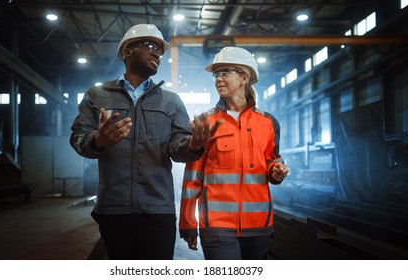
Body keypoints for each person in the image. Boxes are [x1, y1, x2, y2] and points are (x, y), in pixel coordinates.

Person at [69, 24, 218, 260]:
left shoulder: (171, 101)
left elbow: (177, 147)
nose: (157, 53)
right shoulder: (98, 96)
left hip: (158, 210)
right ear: (128, 50)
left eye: (160, 50)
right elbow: (78, 138)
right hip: (113, 209)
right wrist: (98, 140)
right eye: (150, 46)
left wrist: (193, 145)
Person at [179, 46, 289, 260]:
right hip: (217, 226)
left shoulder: (268, 122)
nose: (218, 79)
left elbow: (271, 160)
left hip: (259, 225)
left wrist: (276, 169)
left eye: (224, 72)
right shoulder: (206, 122)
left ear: (244, 78)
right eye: (216, 74)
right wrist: (187, 224)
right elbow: (192, 178)